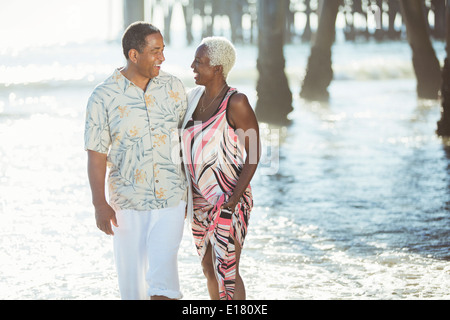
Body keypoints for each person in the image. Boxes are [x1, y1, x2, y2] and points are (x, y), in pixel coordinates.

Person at [84, 22, 187, 300]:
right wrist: (99, 204)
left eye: (163, 50)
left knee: (164, 285)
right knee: (132, 290)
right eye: (155, 51)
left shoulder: (174, 87)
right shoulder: (102, 97)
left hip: (172, 200)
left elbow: (189, 141)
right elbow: (96, 154)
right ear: (134, 55)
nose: (162, 58)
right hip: (126, 206)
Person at [182, 37, 260, 300]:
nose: (192, 65)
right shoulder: (192, 100)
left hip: (230, 199)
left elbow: (255, 152)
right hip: (199, 202)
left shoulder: (236, 102)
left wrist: (234, 199)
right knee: (208, 268)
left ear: (217, 68)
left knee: (227, 269)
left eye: (199, 62)